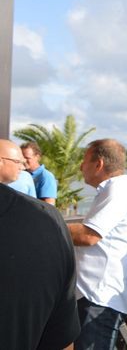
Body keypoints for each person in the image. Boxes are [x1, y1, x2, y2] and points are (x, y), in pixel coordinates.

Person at [0, 139, 80, 349]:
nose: (22, 165)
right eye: (19, 161)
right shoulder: (47, 222)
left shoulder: (44, 180)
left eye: (24, 160)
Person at [68, 138, 127, 349]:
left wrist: (49, 225)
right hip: (93, 295)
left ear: (99, 164)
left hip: (99, 297)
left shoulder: (118, 191)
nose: (81, 167)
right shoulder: (113, 190)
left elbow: (89, 235)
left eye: (84, 161)